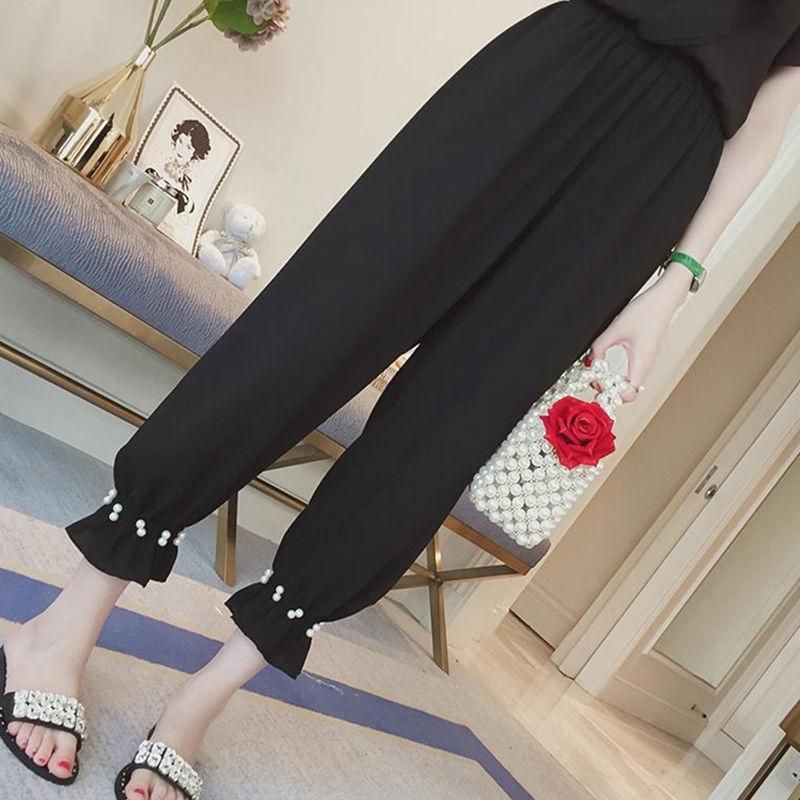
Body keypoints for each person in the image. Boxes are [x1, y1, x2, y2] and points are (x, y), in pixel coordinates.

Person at [2, 0, 800, 797]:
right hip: (556, 69)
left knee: (445, 433)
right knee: (316, 327)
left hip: (656, 179)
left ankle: (201, 701)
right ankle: (63, 627)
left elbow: (769, 116)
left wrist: (675, 285)